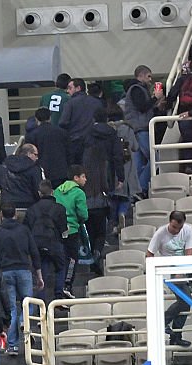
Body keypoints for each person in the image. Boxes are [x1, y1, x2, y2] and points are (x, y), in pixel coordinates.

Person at [0, 202, 44, 357]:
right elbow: (34, 252)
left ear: (1, 216)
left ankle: (12, 346)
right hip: (24, 270)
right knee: (28, 303)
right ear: (15, 215)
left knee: (11, 308)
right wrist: (39, 275)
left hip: (5, 272)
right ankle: (23, 321)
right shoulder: (24, 230)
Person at [82, 108, 126, 275]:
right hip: (104, 183)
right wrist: (120, 177)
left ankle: (91, 255)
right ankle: (98, 253)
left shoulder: (86, 135)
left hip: (88, 189)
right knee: (101, 230)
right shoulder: (112, 134)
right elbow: (117, 157)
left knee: (90, 231)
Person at [146, 210, 192, 347]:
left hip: (182, 270)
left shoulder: (188, 230)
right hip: (166, 270)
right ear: (169, 222)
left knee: (185, 303)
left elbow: (189, 252)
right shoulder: (160, 234)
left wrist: (184, 270)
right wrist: (156, 273)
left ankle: (175, 335)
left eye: (179, 228)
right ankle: (163, 323)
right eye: (174, 227)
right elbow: (149, 254)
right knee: (186, 301)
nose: (176, 231)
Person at [164, 44, 192, 173]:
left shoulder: (184, 74)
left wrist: (167, 107)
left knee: (187, 142)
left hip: (183, 113)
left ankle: (189, 168)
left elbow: (172, 94)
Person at [25, 181, 70, 302]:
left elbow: (27, 229)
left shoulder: (31, 210)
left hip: (37, 243)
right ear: (52, 192)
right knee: (61, 266)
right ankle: (58, 294)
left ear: (39, 193)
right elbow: (64, 230)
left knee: (41, 269)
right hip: (54, 242)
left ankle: (41, 300)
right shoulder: (60, 208)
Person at [124, 66, 164, 196]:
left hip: (137, 129)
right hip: (141, 129)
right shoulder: (136, 89)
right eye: (149, 76)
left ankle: (135, 190)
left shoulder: (135, 90)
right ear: (141, 76)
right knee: (155, 159)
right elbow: (142, 107)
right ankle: (140, 188)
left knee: (139, 164)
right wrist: (155, 98)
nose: (150, 80)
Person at [54, 166, 89, 298]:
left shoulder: (57, 191)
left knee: (60, 259)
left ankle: (59, 286)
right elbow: (83, 214)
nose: (85, 179)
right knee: (72, 259)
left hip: (58, 230)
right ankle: (67, 285)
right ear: (76, 178)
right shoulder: (79, 193)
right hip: (73, 230)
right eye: (83, 176)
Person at [58, 78, 105, 165]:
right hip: (93, 141)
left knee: (76, 169)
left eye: (70, 88)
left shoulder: (70, 103)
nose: (68, 91)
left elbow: (63, 122)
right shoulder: (97, 102)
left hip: (75, 141)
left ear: (78, 88)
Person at [24, 107, 71, 190]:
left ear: (36, 119)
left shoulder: (31, 135)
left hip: (41, 172)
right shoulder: (62, 132)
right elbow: (69, 152)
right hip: (61, 171)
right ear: (50, 118)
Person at [0, 144, 43, 211]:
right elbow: (38, 189)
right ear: (29, 154)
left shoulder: (4, 166)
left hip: (7, 207)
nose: (37, 158)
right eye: (35, 155)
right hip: (28, 206)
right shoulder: (34, 169)